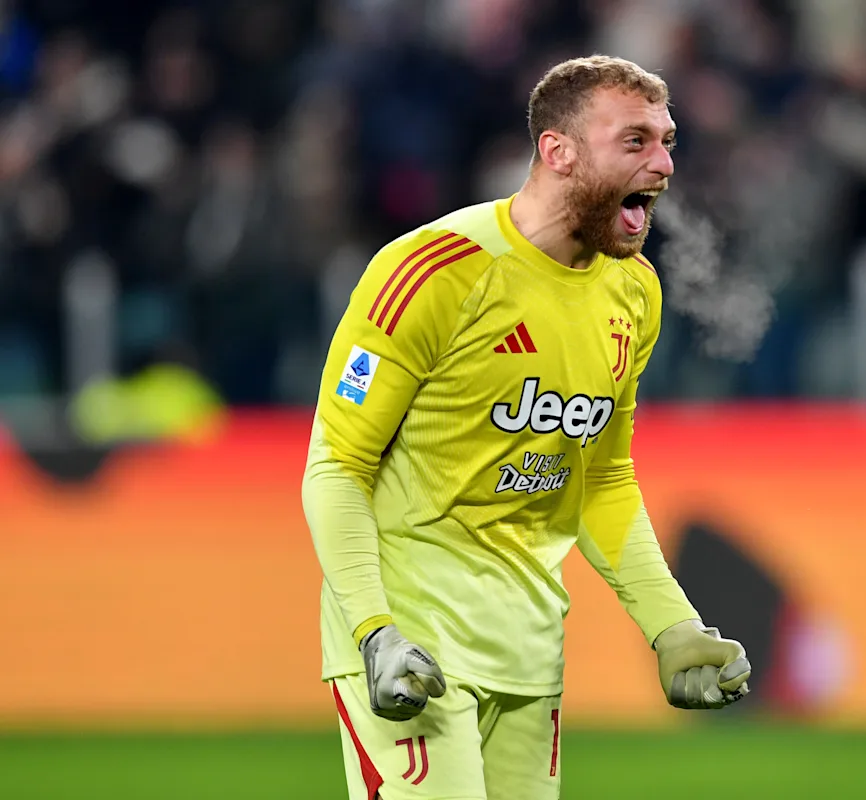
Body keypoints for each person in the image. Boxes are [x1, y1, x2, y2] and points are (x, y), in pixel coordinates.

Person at [302, 54, 752, 800]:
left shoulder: (633, 292)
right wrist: (374, 631)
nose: (665, 164)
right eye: (636, 141)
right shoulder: (434, 271)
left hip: (529, 657)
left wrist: (672, 626)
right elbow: (337, 465)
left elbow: (601, 478)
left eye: (668, 141)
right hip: (411, 649)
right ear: (558, 151)